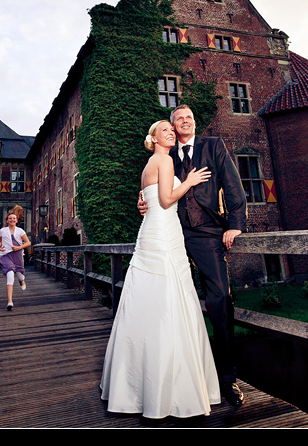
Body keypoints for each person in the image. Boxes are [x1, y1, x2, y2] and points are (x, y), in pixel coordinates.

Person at [101, 120, 220, 418]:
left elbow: (148, 199)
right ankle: (172, 386)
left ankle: (135, 384)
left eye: (172, 130)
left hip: (152, 230)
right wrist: (190, 182)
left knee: (147, 299)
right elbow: (166, 200)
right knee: (168, 299)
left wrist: (146, 202)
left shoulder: (149, 164)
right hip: (164, 233)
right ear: (153, 139)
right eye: (164, 130)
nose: (170, 132)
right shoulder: (164, 160)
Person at [137, 105, 247, 406]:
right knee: (167, 300)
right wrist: (142, 202)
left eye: (189, 117)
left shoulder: (213, 146)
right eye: (178, 119)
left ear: (194, 123)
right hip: (171, 232)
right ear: (171, 127)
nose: (183, 122)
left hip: (206, 233)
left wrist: (236, 225)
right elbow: (152, 186)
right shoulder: (166, 152)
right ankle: (172, 373)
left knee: (219, 299)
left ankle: (227, 377)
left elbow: (233, 185)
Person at [0, 205, 30, 311]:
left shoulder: (20, 231)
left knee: (20, 276)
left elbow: (28, 243)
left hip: (18, 255)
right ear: (7, 221)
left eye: (14, 218)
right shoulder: (2, 231)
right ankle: (10, 301)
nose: (12, 220)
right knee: (10, 274)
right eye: (10, 218)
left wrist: (19, 247)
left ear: (16, 221)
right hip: (6, 255)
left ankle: (22, 281)